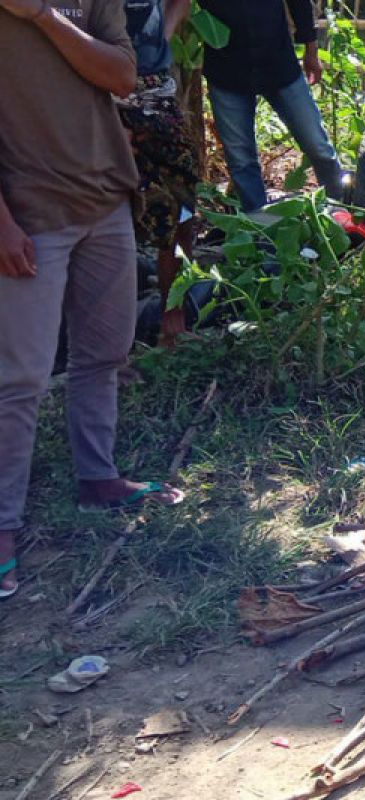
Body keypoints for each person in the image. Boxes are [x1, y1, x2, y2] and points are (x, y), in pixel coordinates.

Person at [0, 0, 185, 599]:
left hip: (106, 194)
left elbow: (121, 75)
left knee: (104, 351)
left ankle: (97, 476)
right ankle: (2, 522)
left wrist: (44, 17)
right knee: (22, 374)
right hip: (30, 211)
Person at [198, 0, 344, 212]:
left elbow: (299, 4)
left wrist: (311, 50)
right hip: (226, 71)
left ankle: (340, 209)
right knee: (241, 161)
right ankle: (259, 225)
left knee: (317, 144)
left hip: (280, 66)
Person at [119, 0, 198, 348]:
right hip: (102, 94)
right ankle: (110, 341)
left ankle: (173, 311)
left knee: (182, 206)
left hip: (158, 90)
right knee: (110, 213)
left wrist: (163, 36)